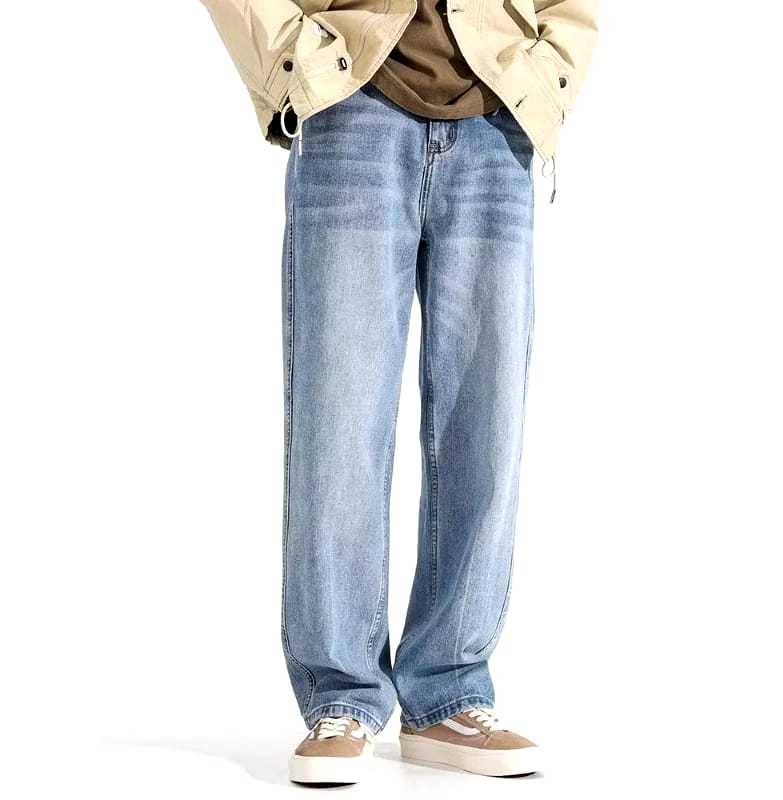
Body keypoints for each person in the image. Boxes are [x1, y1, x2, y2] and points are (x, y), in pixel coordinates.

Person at [200, 0, 597, 785]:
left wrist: (544, 74)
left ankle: (448, 692)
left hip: (497, 124)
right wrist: (296, 61)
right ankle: (341, 694)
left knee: (485, 426)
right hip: (351, 110)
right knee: (338, 423)